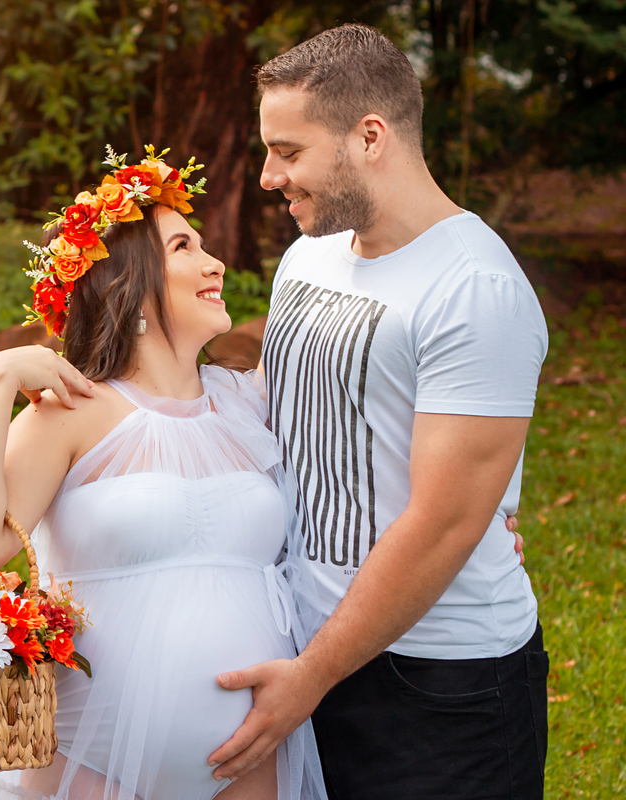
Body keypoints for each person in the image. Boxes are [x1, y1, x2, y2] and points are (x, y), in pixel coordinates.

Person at [206, 25, 550, 800]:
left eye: (288, 151)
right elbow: (276, 412)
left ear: (369, 137)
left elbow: (444, 524)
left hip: (441, 689)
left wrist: (311, 676)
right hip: (306, 648)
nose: (267, 176)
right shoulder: (310, 256)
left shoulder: (476, 290)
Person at [0, 150, 328, 799]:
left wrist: (493, 507)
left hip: (251, 760)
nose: (215, 263)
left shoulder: (252, 402)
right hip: (90, 758)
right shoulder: (73, 411)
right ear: (130, 282)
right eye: (184, 247)